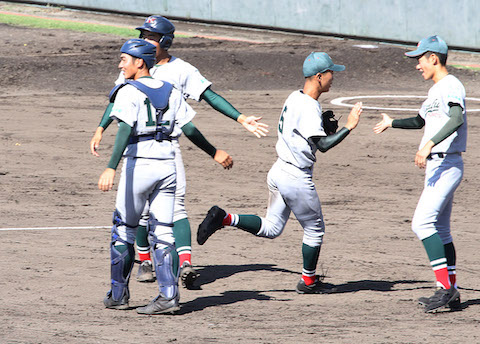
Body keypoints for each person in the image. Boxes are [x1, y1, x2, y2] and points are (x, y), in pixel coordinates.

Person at [90, 16, 267, 289]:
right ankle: (148, 261)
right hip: (142, 149)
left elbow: (211, 96)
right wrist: (101, 127)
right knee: (143, 211)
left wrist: (240, 118)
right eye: (144, 35)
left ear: (164, 41)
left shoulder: (180, 69)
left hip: (164, 148)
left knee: (168, 208)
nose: (145, 40)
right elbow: (117, 100)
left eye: (150, 36)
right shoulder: (134, 62)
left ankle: (182, 262)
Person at [196, 52, 363, 293]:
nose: (333, 77)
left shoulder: (294, 97)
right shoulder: (308, 107)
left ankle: (224, 218)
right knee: (315, 230)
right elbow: (323, 146)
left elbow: (307, 136)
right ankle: (309, 282)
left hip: (278, 171)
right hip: (296, 178)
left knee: (271, 228)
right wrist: (349, 125)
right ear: (318, 76)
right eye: (330, 73)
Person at [99, 38, 193, 314]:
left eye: (124, 59)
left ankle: (118, 295)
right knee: (164, 232)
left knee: (123, 230)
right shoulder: (172, 90)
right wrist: (214, 151)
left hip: (138, 166)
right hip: (168, 165)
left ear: (139, 62)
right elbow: (191, 129)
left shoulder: (129, 91)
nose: (120, 64)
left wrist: (111, 166)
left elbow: (125, 130)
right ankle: (168, 296)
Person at [373, 35, 466, 313]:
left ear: (433, 58)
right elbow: (420, 120)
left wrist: (428, 144)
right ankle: (452, 288)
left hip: (447, 163)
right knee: (441, 230)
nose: (417, 65)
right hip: (441, 165)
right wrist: (392, 123)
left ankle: (445, 289)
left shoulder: (451, 86)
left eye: (420, 59)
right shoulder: (436, 90)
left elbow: (456, 118)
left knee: (421, 223)